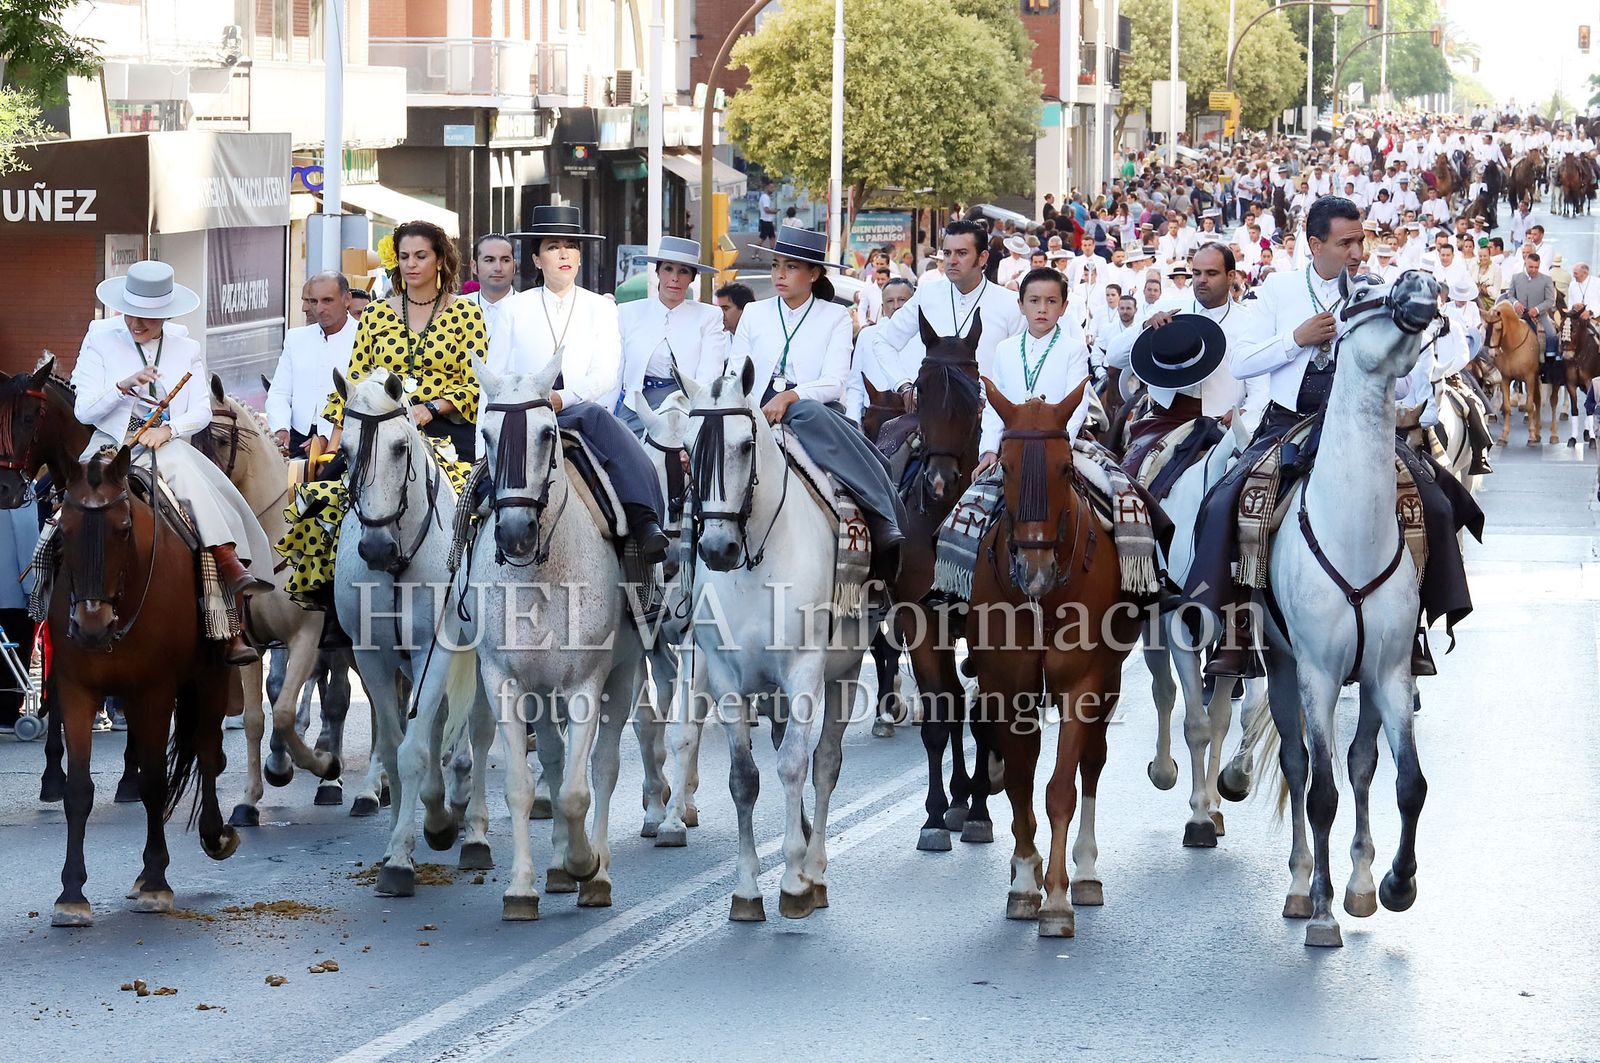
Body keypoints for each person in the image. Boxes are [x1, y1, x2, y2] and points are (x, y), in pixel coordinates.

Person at [1185, 196, 1479, 679]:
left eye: (1361, 240)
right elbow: (1240, 362)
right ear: (1315, 244)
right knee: (1224, 501)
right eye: (1346, 243)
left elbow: (1403, 382)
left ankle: (1414, 627)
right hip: (1288, 422)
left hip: (1362, 427)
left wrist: (1402, 351)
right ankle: (1234, 625)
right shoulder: (1279, 290)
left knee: (1435, 501)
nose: (1358, 252)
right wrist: (1295, 339)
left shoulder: (1376, 292)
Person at [74, 260, 274, 665]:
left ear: (165, 314)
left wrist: (169, 431)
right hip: (111, 442)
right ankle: (46, 598)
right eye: (131, 313)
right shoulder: (99, 337)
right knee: (72, 508)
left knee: (187, 475)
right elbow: (83, 411)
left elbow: (200, 410)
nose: (136, 323)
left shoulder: (186, 347)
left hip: (163, 442)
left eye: (147, 317)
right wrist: (122, 386)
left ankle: (227, 573)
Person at [487, 205, 668, 562]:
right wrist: (487, 434)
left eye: (571, 245)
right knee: (469, 496)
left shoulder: (600, 308)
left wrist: (562, 399)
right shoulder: (513, 309)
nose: (564, 253)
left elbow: (607, 373)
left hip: (583, 416)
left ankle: (645, 521)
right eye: (553, 246)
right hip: (520, 420)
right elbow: (494, 379)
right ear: (537, 260)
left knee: (605, 426)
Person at [728, 223, 905, 582]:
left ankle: (879, 514)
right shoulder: (755, 313)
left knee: (807, 413)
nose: (779, 274)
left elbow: (835, 381)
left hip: (814, 411)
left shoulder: (836, 316)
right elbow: (735, 372)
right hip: (756, 410)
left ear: (814, 274)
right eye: (776, 265)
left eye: (791, 267)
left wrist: (792, 396)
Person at [872, 219, 1025, 384]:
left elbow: (1019, 369)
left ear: (982, 258)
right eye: (947, 253)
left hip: (990, 408)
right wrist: (903, 386)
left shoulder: (1010, 304)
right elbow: (884, 341)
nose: (951, 260)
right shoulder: (927, 294)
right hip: (933, 407)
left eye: (961, 253)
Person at [976, 267, 1093, 472]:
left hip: (1059, 446)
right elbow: (996, 405)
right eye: (1034, 300)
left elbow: (1078, 405)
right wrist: (989, 450)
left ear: (1064, 307)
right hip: (1011, 447)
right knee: (974, 502)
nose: (1042, 309)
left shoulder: (1075, 349)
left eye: (1051, 301)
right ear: (1021, 305)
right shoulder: (1005, 349)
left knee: (1113, 490)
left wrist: (1061, 446)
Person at [616, 235, 726, 434]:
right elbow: (616, 371)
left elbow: (710, 374)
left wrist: (694, 415)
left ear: (692, 277)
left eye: (683, 271)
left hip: (686, 407)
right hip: (637, 405)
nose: (674, 278)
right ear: (657, 271)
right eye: (668, 269)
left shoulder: (709, 316)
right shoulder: (628, 312)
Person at [267, 270, 357, 459]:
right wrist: (281, 429)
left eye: (327, 300)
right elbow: (279, 393)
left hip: (347, 443)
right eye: (314, 301)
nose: (319, 308)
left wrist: (327, 439)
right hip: (296, 440)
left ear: (347, 299)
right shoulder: (296, 338)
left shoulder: (364, 337)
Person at [847, 277, 918, 422]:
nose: (896, 306)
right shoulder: (867, 335)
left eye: (902, 300)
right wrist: (853, 424)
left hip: (914, 421)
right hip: (873, 420)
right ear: (882, 305)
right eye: (890, 301)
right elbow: (855, 386)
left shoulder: (925, 336)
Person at [0, 497, 37, 734]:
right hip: (12, 591)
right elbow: (27, 542)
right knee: (14, 652)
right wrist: (33, 587)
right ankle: (7, 711)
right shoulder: (20, 494)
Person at [1508, 249, 1559, 369]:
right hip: (1519, 315)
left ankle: (1549, 366)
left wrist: (1537, 309)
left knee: (1551, 334)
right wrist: (1515, 303)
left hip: (1539, 315)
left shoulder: (1546, 279)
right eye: (1531, 267)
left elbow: (1550, 300)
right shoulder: (1516, 278)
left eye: (1536, 267)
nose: (1534, 270)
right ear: (1525, 263)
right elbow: (1510, 295)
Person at [465, 233, 518, 340]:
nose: (498, 268)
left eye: (505, 260)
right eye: (489, 260)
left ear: (514, 267)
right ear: (474, 266)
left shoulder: (530, 308)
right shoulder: (458, 308)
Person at [757, 179, 779, 247]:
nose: (773, 189)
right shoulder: (765, 197)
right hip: (766, 221)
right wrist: (774, 211)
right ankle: (755, 254)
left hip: (768, 221)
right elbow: (766, 210)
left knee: (772, 237)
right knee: (762, 238)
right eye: (771, 188)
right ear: (767, 188)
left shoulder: (765, 197)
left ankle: (774, 254)